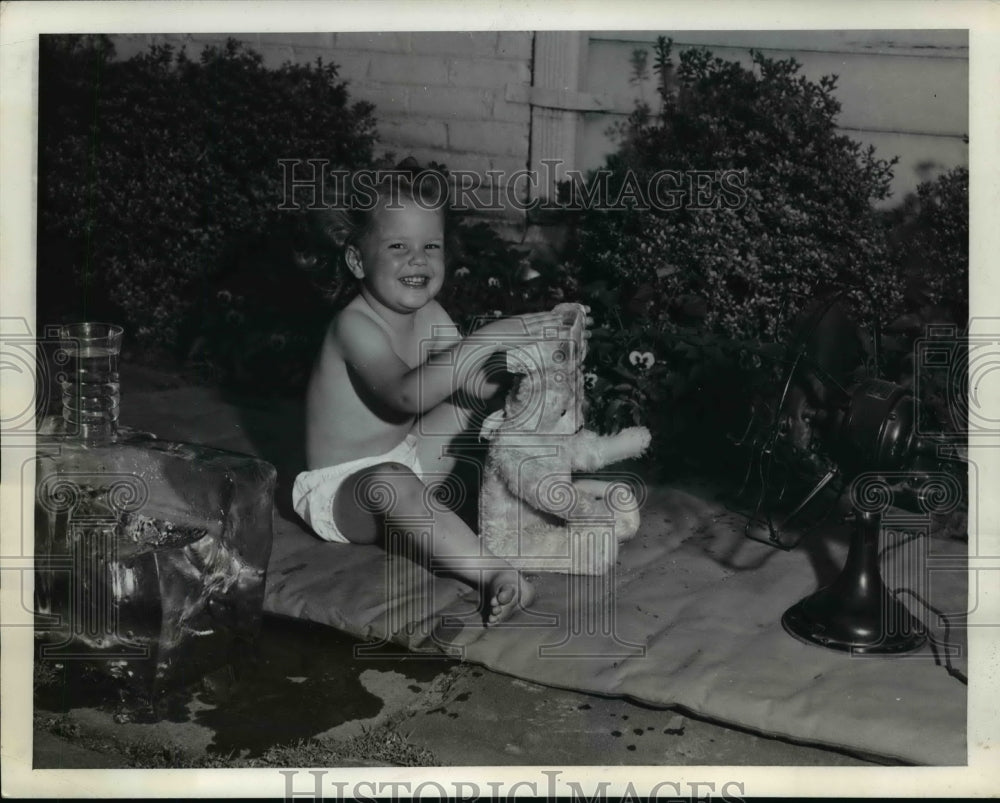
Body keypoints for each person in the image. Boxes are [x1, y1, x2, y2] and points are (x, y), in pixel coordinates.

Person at [292, 168, 568, 625]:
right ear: (357, 261)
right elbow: (407, 395)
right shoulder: (354, 327)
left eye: (431, 247)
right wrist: (489, 337)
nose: (418, 260)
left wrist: (527, 367)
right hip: (347, 492)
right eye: (398, 247)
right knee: (390, 480)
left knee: (475, 406)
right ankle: (493, 572)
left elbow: (471, 384)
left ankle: (529, 500)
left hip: (410, 460)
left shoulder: (431, 313)